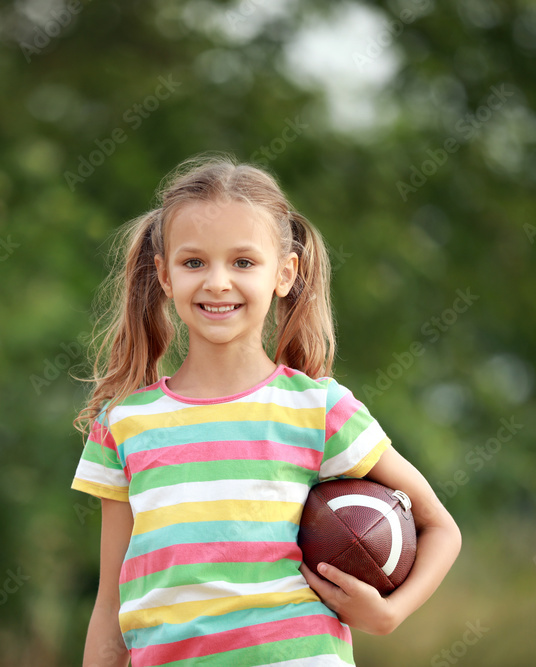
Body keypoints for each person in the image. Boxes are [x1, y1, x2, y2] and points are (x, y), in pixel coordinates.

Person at [70, 154, 461, 666]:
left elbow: (440, 527)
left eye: (243, 262)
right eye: (193, 263)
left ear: (285, 272)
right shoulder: (124, 425)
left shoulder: (320, 410)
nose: (217, 282)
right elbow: (110, 606)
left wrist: (390, 614)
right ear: (163, 276)